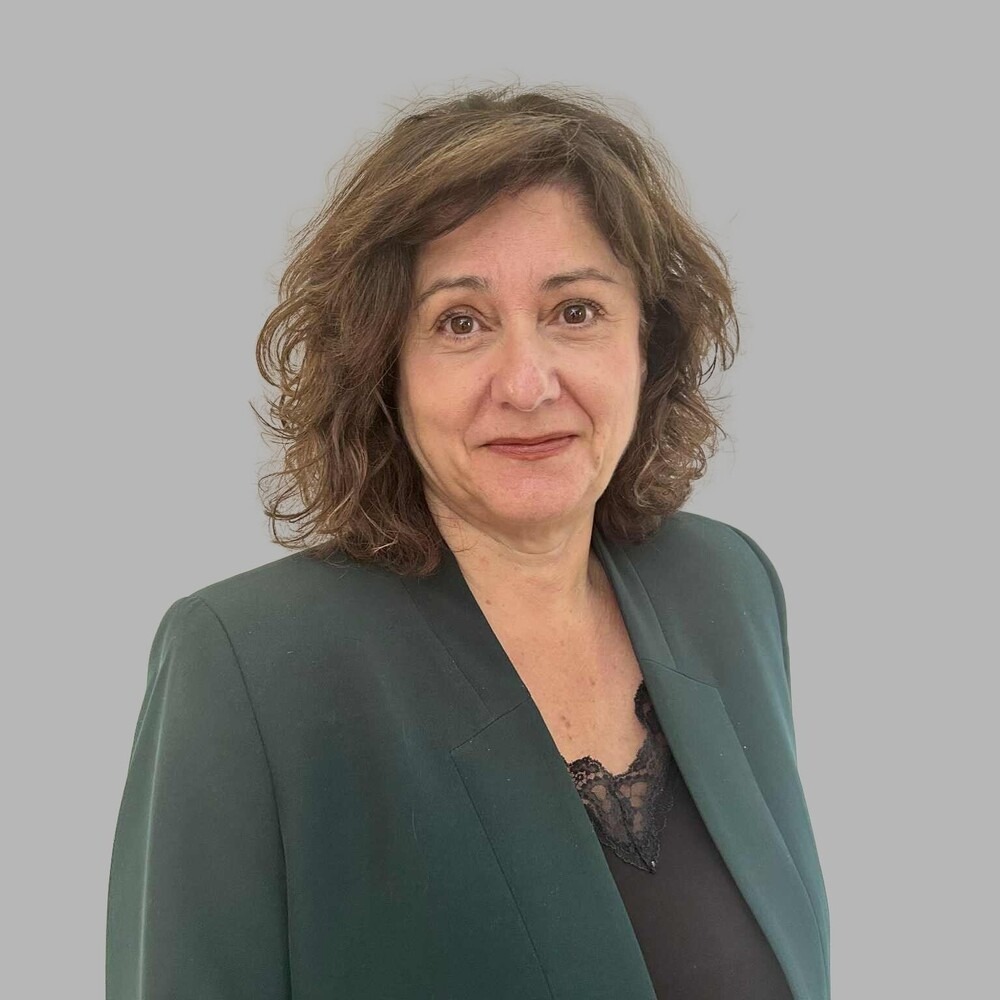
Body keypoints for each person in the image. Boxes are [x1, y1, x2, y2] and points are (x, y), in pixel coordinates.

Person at [106, 84, 830, 999]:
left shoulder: (727, 585)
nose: (527, 384)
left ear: (648, 342)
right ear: (384, 366)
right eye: (461, 322)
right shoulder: (249, 664)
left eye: (575, 311)